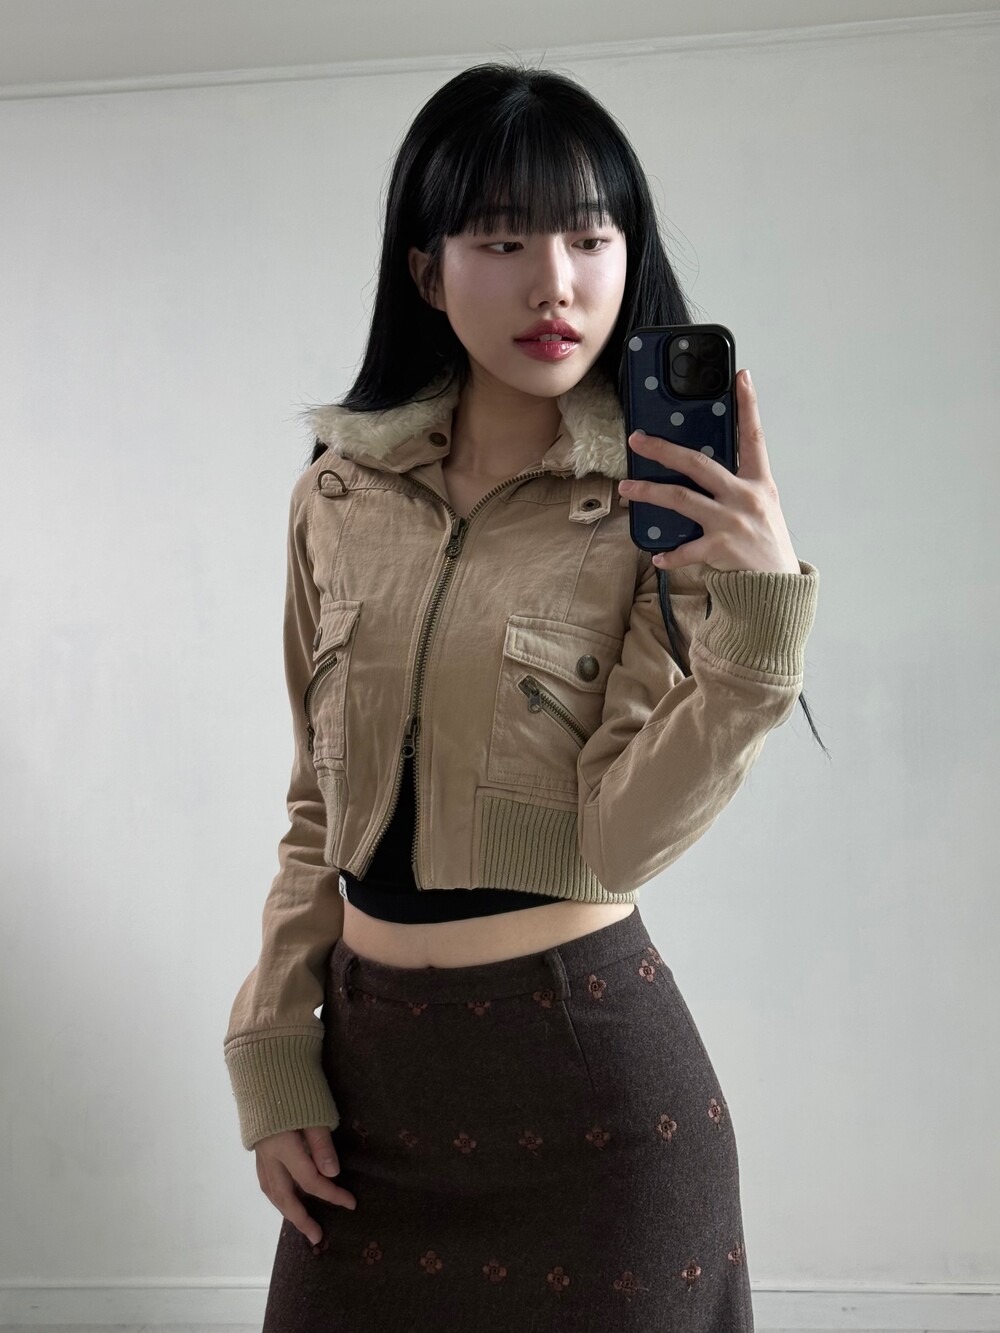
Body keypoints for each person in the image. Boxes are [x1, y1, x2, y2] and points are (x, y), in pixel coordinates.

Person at [224, 59, 820, 1332]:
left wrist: (754, 638)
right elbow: (315, 803)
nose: (555, 284)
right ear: (426, 268)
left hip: (593, 1102)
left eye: (590, 239)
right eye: (502, 241)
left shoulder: (660, 517)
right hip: (367, 1095)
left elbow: (620, 841)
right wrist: (271, 1044)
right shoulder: (338, 494)